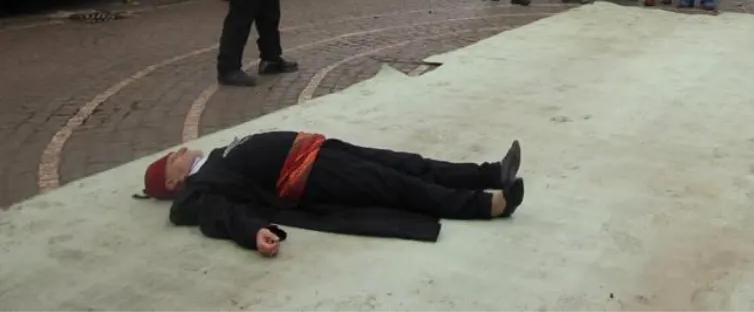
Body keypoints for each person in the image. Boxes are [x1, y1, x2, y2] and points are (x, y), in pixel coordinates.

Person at [139, 132, 525, 256]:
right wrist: (252, 231)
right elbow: (219, 214)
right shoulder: (199, 189)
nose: (181, 150)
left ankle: (490, 173)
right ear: (174, 183)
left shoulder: (218, 156)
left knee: (406, 163)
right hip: (311, 175)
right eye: (173, 157)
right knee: (397, 187)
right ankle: (489, 205)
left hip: (320, 148)